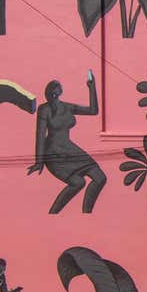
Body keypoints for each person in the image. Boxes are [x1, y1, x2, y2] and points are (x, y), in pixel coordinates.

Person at [28, 71, 106, 214]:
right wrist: (39, 162)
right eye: (58, 86)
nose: (61, 87)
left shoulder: (67, 107)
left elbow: (93, 111)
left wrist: (92, 87)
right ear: (52, 92)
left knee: (100, 178)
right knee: (78, 183)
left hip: (70, 150)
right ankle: (53, 213)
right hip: (54, 154)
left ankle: (87, 213)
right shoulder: (44, 109)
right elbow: (40, 135)